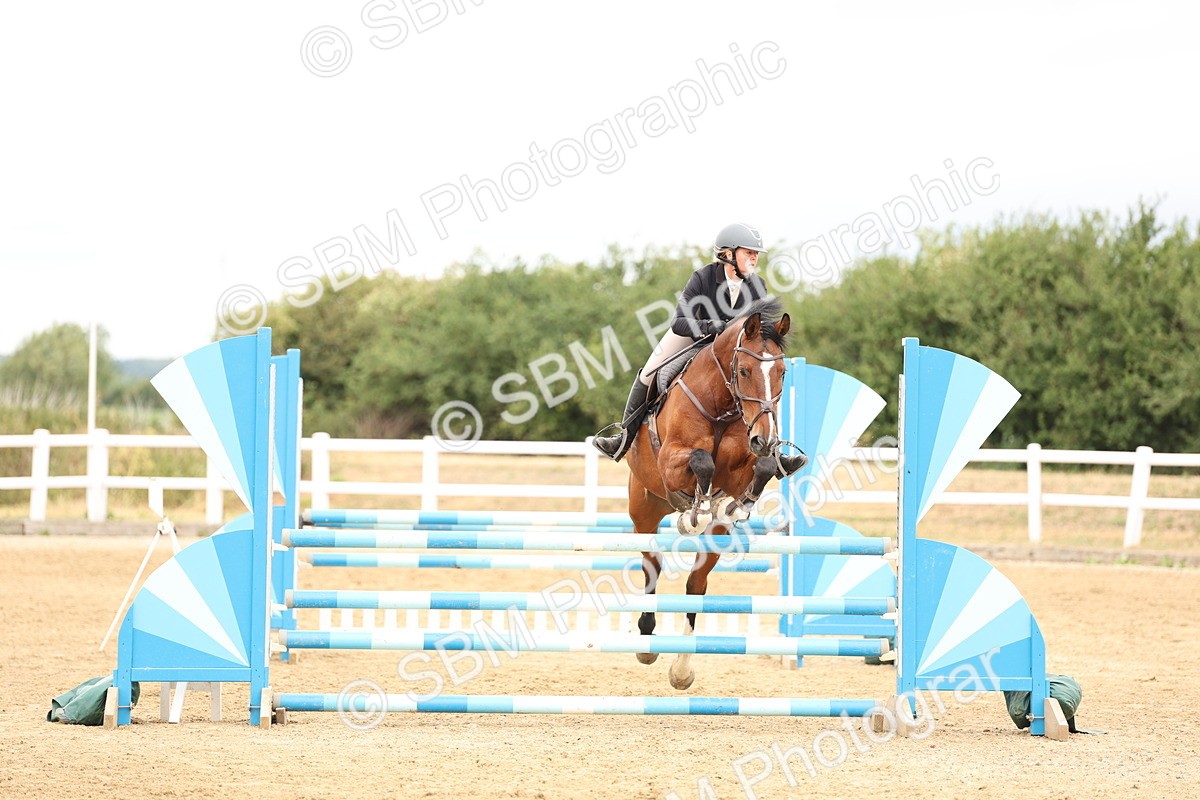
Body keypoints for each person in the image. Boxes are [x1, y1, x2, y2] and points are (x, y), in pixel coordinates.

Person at [592, 222, 771, 462]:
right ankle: (623, 439)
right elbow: (680, 321)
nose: (754, 258)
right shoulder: (703, 278)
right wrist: (710, 326)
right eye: (748, 252)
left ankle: (776, 455)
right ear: (728, 253)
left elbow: (761, 329)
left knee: (767, 376)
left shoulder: (757, 285)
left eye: (756, 254)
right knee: (649, 372)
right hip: (693, 336)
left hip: (734, 349)